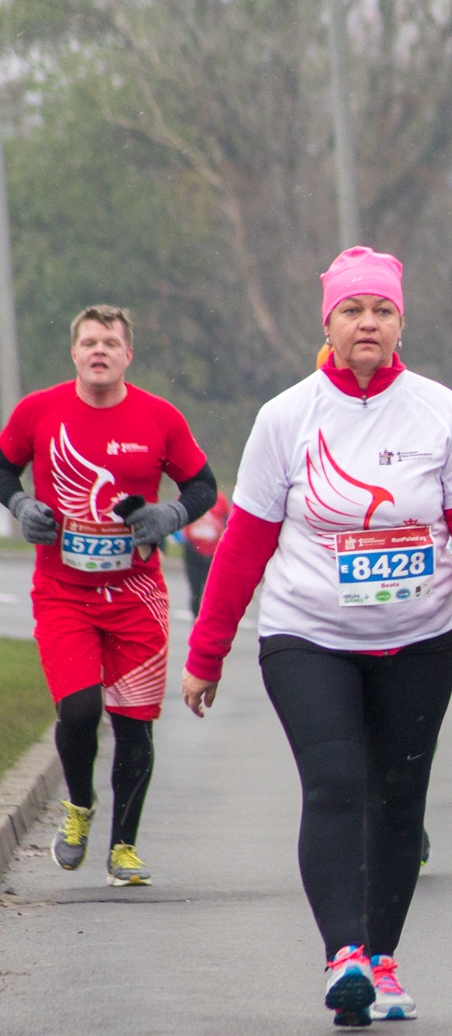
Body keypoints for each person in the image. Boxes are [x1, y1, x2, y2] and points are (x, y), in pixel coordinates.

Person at [181, 247, 452, 1024]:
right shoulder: (286, 417)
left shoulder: (441, 410)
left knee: (398, 799)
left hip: (419, 636)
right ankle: (344, 954)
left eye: (381, 310)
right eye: (351, 311)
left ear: (401, 322)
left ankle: (380, 959)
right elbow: (245, 544)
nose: (367, 323)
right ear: (328, 324)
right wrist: (206, 653)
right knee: (335, 783)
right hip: (309, 635)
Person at [0, 305, 216, 887]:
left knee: (134, 724)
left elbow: (202, 485)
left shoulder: (159, 417)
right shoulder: (38, 412)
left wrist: (169, 512)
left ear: (127, 355)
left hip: (137, 595)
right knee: (79, 709)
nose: (100, 350)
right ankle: (78, 806)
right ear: (74, 353)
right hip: (63, 592)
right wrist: (21, 506)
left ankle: (123, 846)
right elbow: (2, 468)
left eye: (111, 342)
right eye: (89, 342)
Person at [180, 491, 231, 617]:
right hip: (193, 552)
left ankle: (209, 622)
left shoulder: (220, 500)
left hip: (213, 553)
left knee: (212, 594)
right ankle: (196, 622)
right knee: (196, 592)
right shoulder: (186, 496)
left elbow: (228, 523)